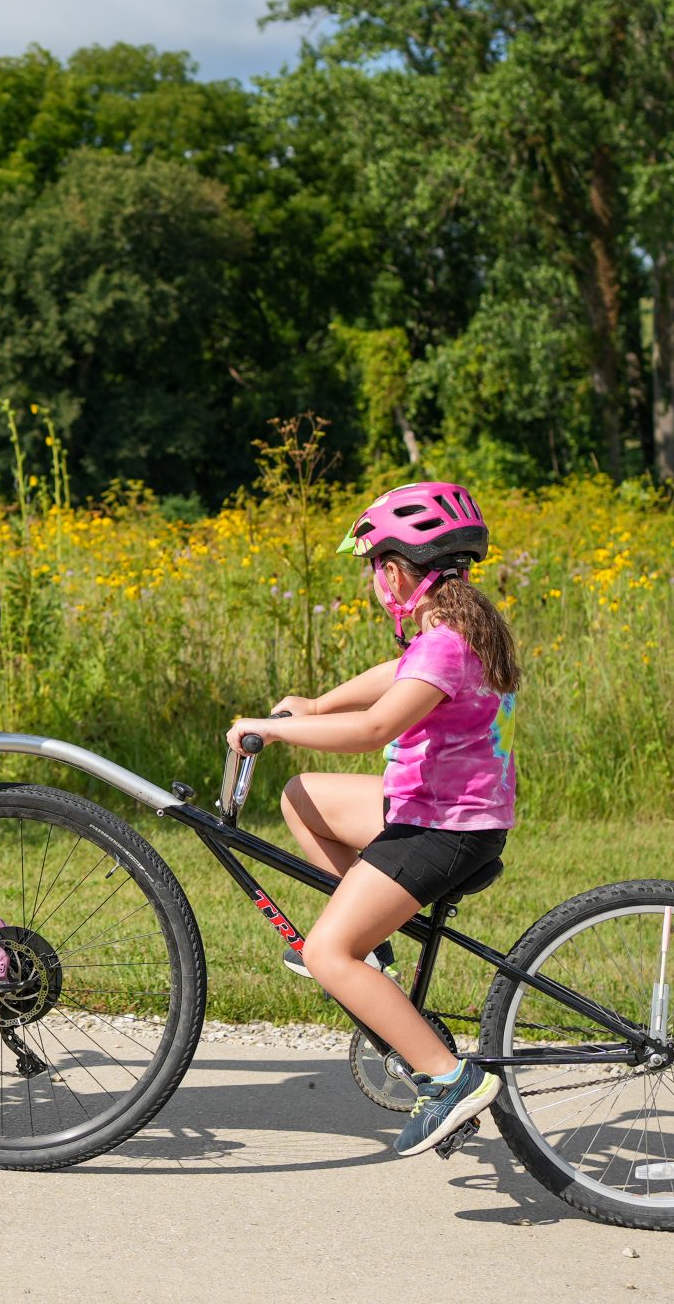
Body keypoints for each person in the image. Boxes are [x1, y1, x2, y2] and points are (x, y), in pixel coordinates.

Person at [222, 480, 519, 1158]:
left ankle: (450, 1079)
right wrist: (315, 703)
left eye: (372, 569)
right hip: (434, 809)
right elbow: (394, 673)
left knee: (327, 951)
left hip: (442, 829)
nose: (373, 582)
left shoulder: (444, 643)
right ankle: (374, 953)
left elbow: (380, 725)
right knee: (303, 795)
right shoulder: (451, 629)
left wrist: (273, 728)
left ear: (391, 570)